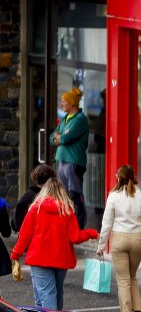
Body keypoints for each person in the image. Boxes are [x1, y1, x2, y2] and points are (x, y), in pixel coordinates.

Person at [9, 176, 98, 310]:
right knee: (56, 293)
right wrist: (91, 233)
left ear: (44, 191)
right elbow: (75, 237)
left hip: (39, 258)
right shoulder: (67, 210)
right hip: (61, 259)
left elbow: (24, 236)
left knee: (46, 294)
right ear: (62, 191)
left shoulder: (36, 209)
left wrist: (15, 255)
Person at [96, 165, 141, 312]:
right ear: (133, 177)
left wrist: (101, 245)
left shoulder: (113, 196)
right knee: (131, 277)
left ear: (118, 178)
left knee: (123, 280)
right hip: (137, 240)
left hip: (119, 239)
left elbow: (106, 223)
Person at [52, 87, 89, 228]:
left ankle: (79, 225)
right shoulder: (65, 119)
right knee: (63, 194)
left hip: (74, 161)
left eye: (64, 101)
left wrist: (60, 137)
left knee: (75, 194)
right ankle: (66, 224)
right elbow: (52, 137)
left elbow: (66, 137)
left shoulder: (80, 119)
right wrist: (59, 137)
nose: (61, 104)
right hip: (62, 160)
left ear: (72, 103)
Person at [12, 164, 55, 233]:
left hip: (30, 238)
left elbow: (16, 225)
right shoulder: (58, 197)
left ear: (35, 179)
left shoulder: (26, 198)